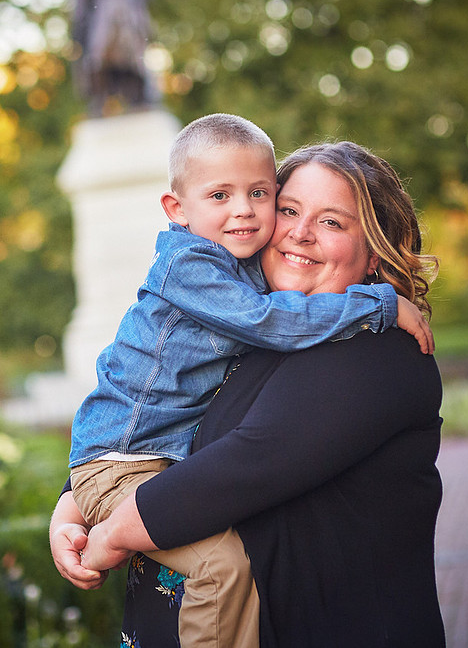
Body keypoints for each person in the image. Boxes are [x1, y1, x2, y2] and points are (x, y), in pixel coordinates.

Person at [52, 141, 446, 647]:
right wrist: (74, 505)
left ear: (373, 253)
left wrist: (109, 534)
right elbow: (166, 416)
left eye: (332, 222)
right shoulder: (245, 328)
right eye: (288, 210)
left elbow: (242, 464)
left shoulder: (378, 353)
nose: (300, 233)